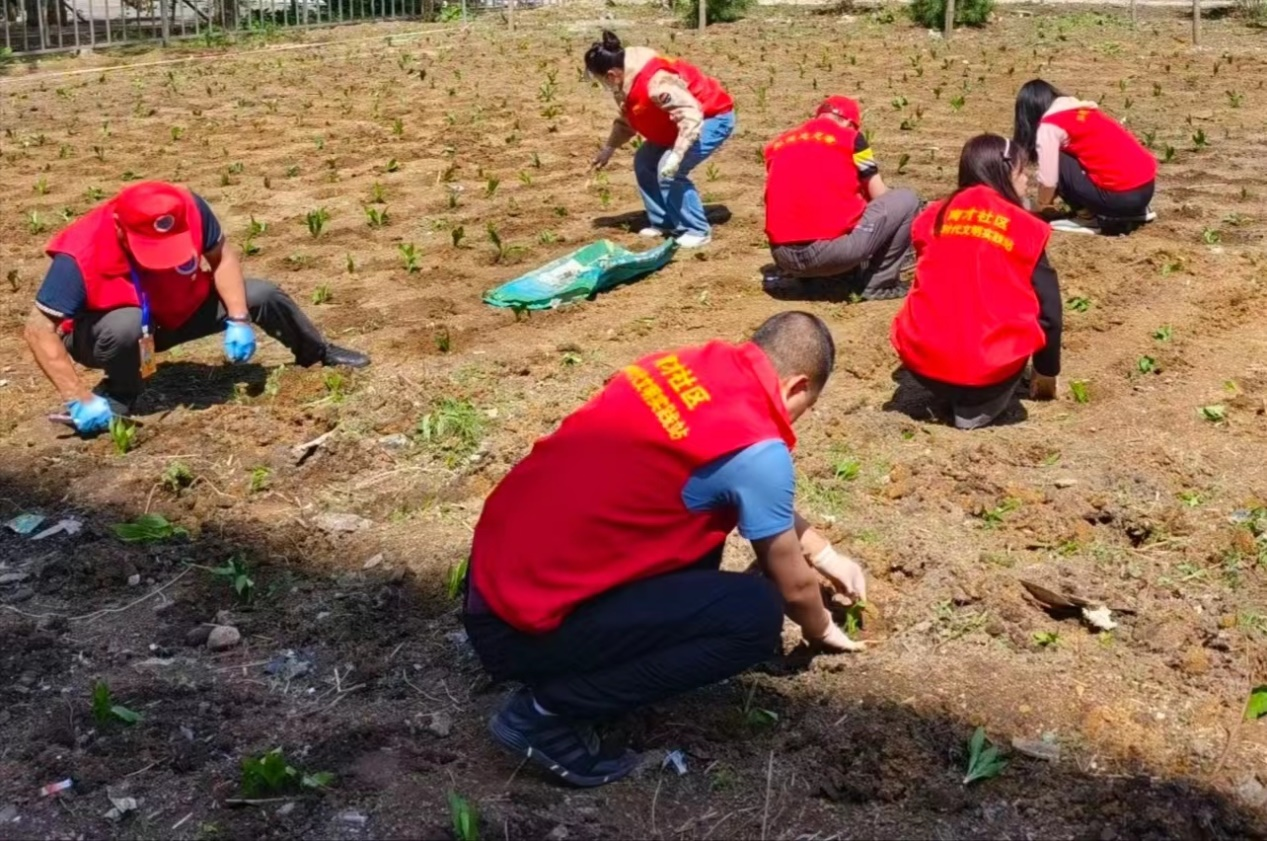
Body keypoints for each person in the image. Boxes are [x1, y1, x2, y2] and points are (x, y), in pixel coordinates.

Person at [464, 311, 867, 787]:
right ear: (797, 386)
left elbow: (740, 487)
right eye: (809, 407)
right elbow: (796, 589)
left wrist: (822, 553)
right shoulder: (756, 449)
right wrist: (822, 630)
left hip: (493, 584)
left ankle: (572, 664)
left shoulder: (684, 366)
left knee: (706, 545)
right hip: (523, 629)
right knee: (755, 613)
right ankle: (543, 715)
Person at [23, 181, 369, 436]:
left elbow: (222, 258)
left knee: (262, 293)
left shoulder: (188, 207)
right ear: (118, 227)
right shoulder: (79, 254)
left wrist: (237, 317)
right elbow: (38, 330)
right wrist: (76, 396)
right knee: (125, 325)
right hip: (107, 332)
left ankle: (316, 353)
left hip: (178, 311)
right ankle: (119, 393)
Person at [891, 134, 1062, 430]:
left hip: (924, 367)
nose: (1026, 180)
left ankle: (954, 395)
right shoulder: (1024, 225)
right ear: (1005, 172)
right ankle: (978, 405)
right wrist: (1046, 372)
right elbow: (1049, 313)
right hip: (987, 370)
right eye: (1022, 172)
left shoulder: (932, 216)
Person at [586, 30, 735, 249]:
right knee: (644, 162)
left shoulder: (658, 83)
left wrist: (676, 155)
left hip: (710, 117)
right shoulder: (625, 79)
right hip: (673, 123)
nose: (602, 85)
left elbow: (690, 115)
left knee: (670, 170)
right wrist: (609, 148)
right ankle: (664, 221)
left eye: (600, 80)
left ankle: (696, 230)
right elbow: (629, 118)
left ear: (611, 75)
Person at [763, 96, 920, 300]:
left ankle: (810, 280)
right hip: (832, 254)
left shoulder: (777, 144)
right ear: (849, 123)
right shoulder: (852, 138)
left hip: (783, 256)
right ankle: (879, 284)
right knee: (906, 199)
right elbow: (879, 194)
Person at [1012, 78, 1157, 235]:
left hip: (1121, 199)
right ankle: (1137, 211)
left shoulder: (1050, 125)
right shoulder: (1084, 111)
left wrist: (1042, 204)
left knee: (1058, 159)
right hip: (1146, 190)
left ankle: (1087, 218)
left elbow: (1048, 180)